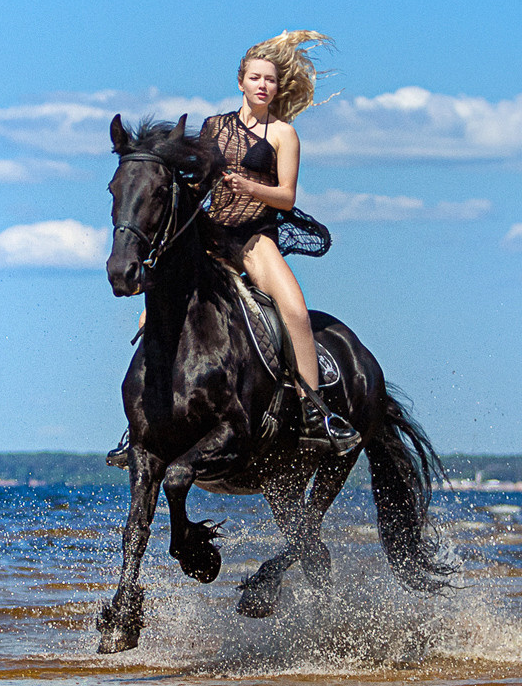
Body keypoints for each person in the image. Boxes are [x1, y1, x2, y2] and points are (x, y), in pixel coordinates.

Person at [110, 31, 361, 463]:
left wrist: (247, 185)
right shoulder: (214, 127)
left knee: (295, 310)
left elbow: (287, 197)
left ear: (278, 89)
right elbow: (194, 180)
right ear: (241, 82)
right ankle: (139, 423)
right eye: (255, 78)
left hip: (254, 238)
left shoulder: (284, 134)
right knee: (154, 311)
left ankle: (315, 414)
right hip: (208, 237)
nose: (263, 85)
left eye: (270, 80)